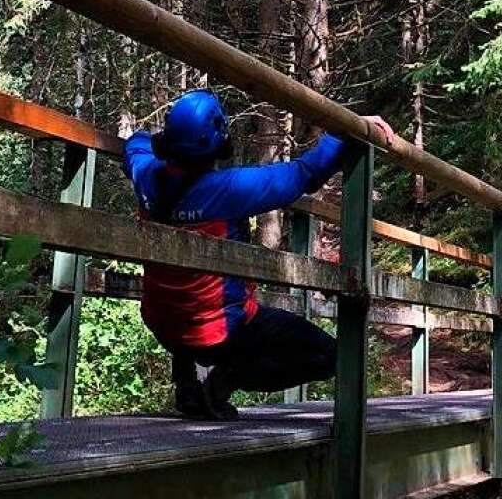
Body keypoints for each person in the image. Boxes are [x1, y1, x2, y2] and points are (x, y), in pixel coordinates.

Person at [124, 88, 394, 420]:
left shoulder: (145, 178)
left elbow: (135, 144)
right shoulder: (227, 189)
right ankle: (223, 378)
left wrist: (155, 139)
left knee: (197, 314)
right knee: (331, 356)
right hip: (222, 330)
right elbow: (303, 175)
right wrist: (348, 130)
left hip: (164, 324)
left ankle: (193, 379)